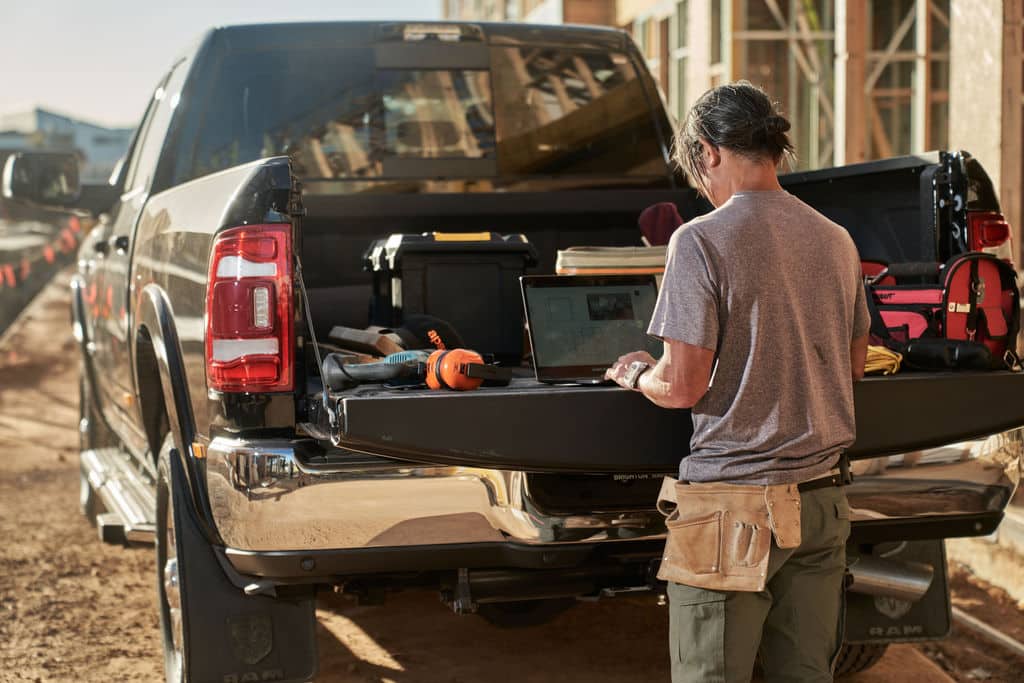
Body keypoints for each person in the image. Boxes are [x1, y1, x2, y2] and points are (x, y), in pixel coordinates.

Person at [606, 81, 870, 682]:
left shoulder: (699, 240)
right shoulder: (836, 240)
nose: (702, 187)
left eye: (697, 170)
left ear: (709, 152)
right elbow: (854, 367)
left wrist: (636, 373)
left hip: (733, 511)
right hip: (822, 500)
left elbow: (681, 387)